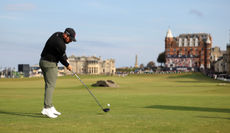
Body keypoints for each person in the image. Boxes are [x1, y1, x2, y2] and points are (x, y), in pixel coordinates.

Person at [39, 28, 76, 118]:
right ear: (65, 35)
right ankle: (47, 108)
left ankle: (50, 106)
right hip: (50, 64)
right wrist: (68, 65)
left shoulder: (57, 34)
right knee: (50, 86)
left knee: (49, 85)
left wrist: (66, 59)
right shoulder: (60, 44)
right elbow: (61, 58)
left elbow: (62, 53)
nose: (70, 41)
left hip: (43, 61)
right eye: (70, 39)